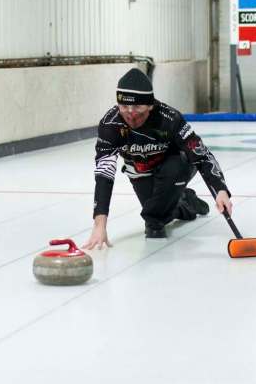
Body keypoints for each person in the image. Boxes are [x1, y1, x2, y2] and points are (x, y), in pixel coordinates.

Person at [83, 67, 232, 249]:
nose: (130, 113)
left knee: (154, 215)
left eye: (137, 107)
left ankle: (155, 219)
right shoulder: (110, 124)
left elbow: (201, 153)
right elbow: (104, 174)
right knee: (160, 209)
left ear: (150, 105)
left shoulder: (169, 118)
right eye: (124, 106)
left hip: (175, 164)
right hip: (140, 169)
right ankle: (185, 201)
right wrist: (100, 225)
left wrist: (220, 190)